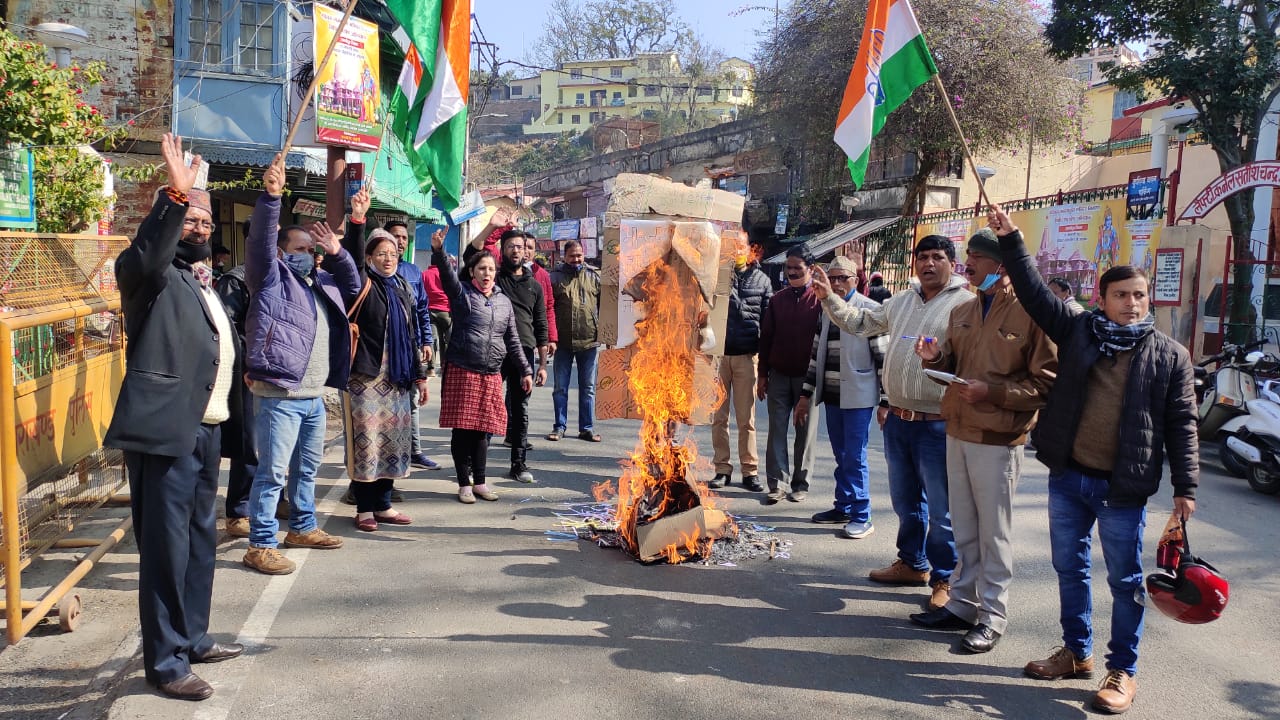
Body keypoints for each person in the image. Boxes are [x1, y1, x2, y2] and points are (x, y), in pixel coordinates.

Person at [992, 205, 1198, 715]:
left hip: (1122, 490)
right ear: (1102, 300)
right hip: (1069, 479)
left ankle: (1122, 669)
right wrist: (1013, 241)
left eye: (1140, 295)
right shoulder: (1080, 332)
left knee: (1125, 582)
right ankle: (1077, 652)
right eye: (1122, 295)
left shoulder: (1169, 355)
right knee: (1069, 568)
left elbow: (1182, 424)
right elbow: (1038, 295)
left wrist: (1186, 488)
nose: (1132, 304)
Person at [104, 133, 243, 701]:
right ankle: (165, 663)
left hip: (206, 430)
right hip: (165, 433)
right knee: (165, 550)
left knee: (200, 541)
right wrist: (175, 199)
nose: (201, 228)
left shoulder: (202, 283)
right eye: (193, 221)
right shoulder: (147, 276)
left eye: (207, 221)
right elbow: (150, 252)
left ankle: (193, 635)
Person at [907, 228, 1058, 655]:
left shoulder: (1032, 314)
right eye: (968, 254)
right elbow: (952, 362)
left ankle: (992, 616)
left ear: (1003, 266)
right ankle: (962, 604)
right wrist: (934, 358)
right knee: (966, 528)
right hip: (957, 428)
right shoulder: (964, 310)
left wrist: (991, 393)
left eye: (977, 256)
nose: (967, 262)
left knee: (995, 533)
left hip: (999, 437)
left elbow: (1045, 384)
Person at [811, 234, 971, 610]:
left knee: (940, 507)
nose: (928, 264)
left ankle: (944, 578)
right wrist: (827, 297)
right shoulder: (900, 301)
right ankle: (912, 563)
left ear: (953, 263)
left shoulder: (964, 305)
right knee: (905, 499)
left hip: (937, 422)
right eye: (923, 257)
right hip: (900, 418)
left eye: (937, 257)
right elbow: (860, 322)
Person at [241, 156, 362, 575]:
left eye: (312, 251)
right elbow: (258, 245)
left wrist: (338, 252)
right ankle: (260, 543)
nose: (308, 256)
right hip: (280, 392)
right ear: (281, 253)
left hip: (312, 395)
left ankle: (302, 527)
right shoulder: (270, 278)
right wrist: (271, 198)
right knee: (272, 473)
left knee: (306, 468)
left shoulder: (321, 282)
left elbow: (354, 286)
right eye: (301, 250)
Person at [339, 223, 431, 531]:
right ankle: (364, 508)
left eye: (392, 253)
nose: (388, 259)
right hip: (366, 379)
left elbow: (412, 334)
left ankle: (384, 504)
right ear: (369, 258)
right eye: (381, 253)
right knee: (368, 444)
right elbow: (349, 258)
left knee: (393, 443)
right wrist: (357, 223)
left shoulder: (403, 287)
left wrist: (420, 377)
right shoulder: (362, 283)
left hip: (397, 379)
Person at [431, 229, 533, 502]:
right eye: (481, 269)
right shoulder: (462, 295)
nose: (486, 274)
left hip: (491, 372)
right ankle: (464, 483)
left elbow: (512, 339)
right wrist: (440, 252)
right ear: (473, 272)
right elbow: (448, 278)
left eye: (490, 269)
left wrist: (525, 370)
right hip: (463, 368)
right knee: (462, 429)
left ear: (495, 272)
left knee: (482, 429)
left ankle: (480, 482)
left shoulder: (503, 302)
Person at [796, 257, 886, 539]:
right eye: (831, 278)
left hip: (859, 396)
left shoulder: (869, 310)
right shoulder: (826, 310)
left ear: (855, 280)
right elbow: (815, 355)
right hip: (833, 396)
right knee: (841, 454)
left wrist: (886, 401)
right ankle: (843, 505)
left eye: (841, 278)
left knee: (854, 456)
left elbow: (882, 359)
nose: (835, 283)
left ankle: (862, 515)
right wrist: (805, 395)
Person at [466, 230, 549, 482]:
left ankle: (519, 464)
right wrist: (493, 226)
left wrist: (543, 364)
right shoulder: (494, 278)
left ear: (527, 251)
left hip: (523, 354)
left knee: (520, 409)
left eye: (520, 246)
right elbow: (472, 253)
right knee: (488, 407)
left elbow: (541, 324)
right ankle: (473, 464)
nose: (516, 250)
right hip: (492, 351)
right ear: (502, 249)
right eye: (510, 246)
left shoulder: (534, 285)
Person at [756, 246, 823, 504]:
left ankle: (800, 483)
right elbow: (766, 340)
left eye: (798, 268)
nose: (792, 272)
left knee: (804, 432)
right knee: (777, 429)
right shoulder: (777, 300)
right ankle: (777, 484)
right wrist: (763, 375)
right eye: (789, 267)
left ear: (811, 269)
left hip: (809, 378)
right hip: (779, 376)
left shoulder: (819, 300)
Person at [710, 233, 772, 491]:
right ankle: (722, 469)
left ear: (751, 249)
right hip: (719, 356)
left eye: (741, 246)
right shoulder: (717, 276)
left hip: (747, 357)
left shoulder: (763, 280)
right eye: (732, 247)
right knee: (718, 418)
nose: (737, 251)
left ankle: (750, 471)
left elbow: (768, 324)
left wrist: (765, 364)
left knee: (747, 419)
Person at [384, 219, 439, 471]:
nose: (400, 241)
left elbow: (423, 309)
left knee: (413, 400)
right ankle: (389, 458)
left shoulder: (414, 272)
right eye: (395, 236)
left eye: (404, 237)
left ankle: (415, 451)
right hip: (385, 351)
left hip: (412, 345)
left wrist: (427, 340)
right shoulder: (378, 273)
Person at [547, 239, 603, 442]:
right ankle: (559, 427)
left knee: (587, 388)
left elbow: (606, 307)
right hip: (561, 342)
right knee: (560, 388)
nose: (576, 259)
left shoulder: (594, 276)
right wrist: (548, 338)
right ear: (564, 256)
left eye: (579, 255)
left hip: (589, 342)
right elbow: (547, 309)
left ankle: (586, 428)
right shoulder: (554, 278)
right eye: (572, 256)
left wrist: (608, 335)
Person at [423, 254, 452, 378]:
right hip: (446, 311)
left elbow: (421, 292)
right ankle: (445, 367)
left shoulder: (424, 274)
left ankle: (431, 368)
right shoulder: (447, 274)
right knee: (446, 341)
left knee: (432, 339)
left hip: (430, 310)